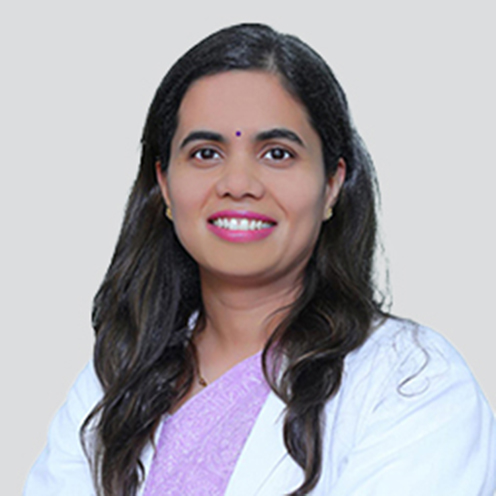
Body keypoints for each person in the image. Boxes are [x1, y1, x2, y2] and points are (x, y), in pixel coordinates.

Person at [24, 23, 496, 496]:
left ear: (332, 184)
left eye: (277, 153)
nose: (238, 183)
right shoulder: (116, 377)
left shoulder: (413, 380)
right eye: (206, 153)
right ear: (164, 184)